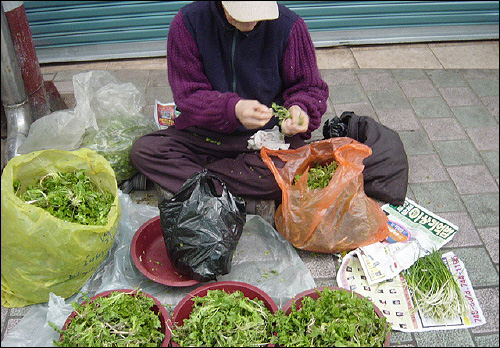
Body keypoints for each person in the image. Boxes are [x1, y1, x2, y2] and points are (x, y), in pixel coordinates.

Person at [130, 1, 329, 212]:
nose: (250, 22)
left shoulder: (289, 27)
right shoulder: (189, 22)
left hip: (265, 137)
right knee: (145, 151)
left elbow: (308, 88)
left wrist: (300, 109)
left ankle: (202, 184)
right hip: (203, 134)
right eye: (241, 14)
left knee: (293, 169)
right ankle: (237, 191)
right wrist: (233, 110)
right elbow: (188, 95)